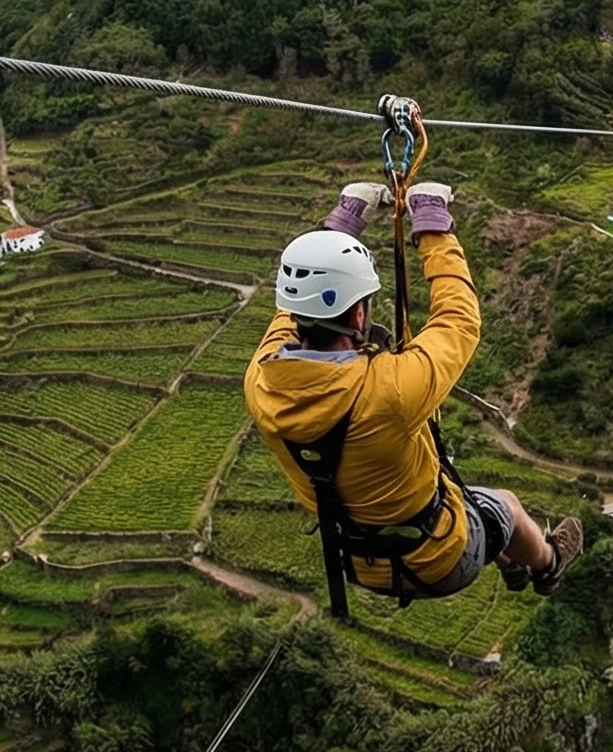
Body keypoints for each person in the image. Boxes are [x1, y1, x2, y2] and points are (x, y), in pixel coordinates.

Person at [243, 174, 582, 609]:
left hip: (358, 561)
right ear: (360, 313)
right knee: (508, 506)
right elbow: (457, 319)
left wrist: (341, 226)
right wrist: (434, 228)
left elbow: (291, 310)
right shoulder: (391, 390)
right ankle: (548, 563)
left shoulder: (260, 381)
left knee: (455, 496)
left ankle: (507, 560)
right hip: (440, 559)